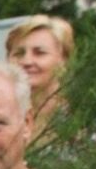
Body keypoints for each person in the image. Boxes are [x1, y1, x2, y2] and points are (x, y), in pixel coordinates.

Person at [5, 14, 74, 142]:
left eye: (39, 53)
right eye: (19, 53)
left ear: (63, 60)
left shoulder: (80, 118)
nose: (27, 61)